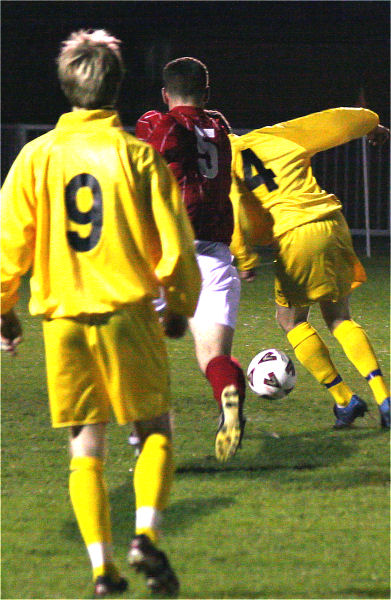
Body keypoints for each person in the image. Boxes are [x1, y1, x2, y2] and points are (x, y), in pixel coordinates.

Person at [1, 29, 201, 598]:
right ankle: (145, 535)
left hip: (63, 321)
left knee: (84, 446)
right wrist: (180, 305)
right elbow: (175, 243)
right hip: (127, 313)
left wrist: (4, 309)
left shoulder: (35, 156)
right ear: (118, 86)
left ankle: (101, 570)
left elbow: (8, 243)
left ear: (67, 86)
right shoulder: (136, 155)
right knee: (154, 428)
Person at [229, 107, 390, 429]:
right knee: (340, 317)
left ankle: (345, 399)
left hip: (296, 234)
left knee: (290, 320)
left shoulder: (226, 162)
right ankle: (384, 399)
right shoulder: (274, 135)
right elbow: (332, 121)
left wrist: (245, 258)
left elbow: (235, 215)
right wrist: (370, 123)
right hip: (332, 222)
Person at [136, 57, 248, 462]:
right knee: (214, 357)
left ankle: (145, 444)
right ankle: (228, 399)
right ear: (207, 92)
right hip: (216, 256)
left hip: (166, 254)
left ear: (166, 95)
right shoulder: (219, 127)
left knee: (140, 351)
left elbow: (151, 147)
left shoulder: (157, 122)